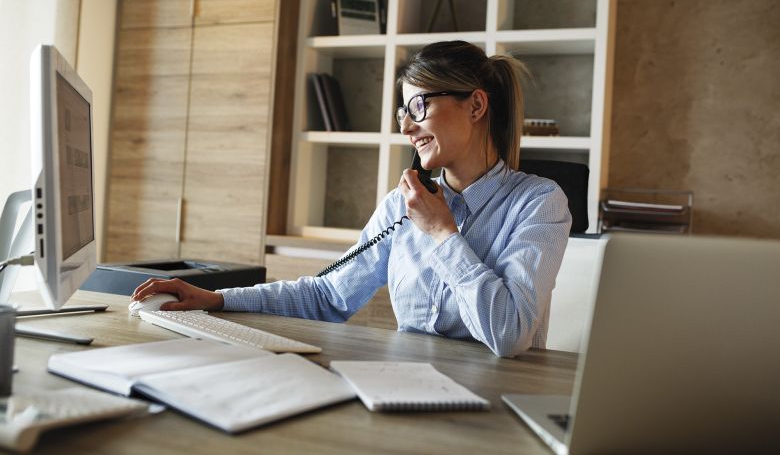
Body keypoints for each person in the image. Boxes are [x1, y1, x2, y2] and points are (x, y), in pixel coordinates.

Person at [132, 40, 571, 357]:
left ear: (476, 106)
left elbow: (509, 333)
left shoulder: (539, 202)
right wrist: (218, 299)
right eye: (403, 113)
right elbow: (328, 296)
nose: (406, 128)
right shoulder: (402, 205)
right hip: (407, 389)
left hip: (497, 407)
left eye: (419, 107)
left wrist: (442, 233)